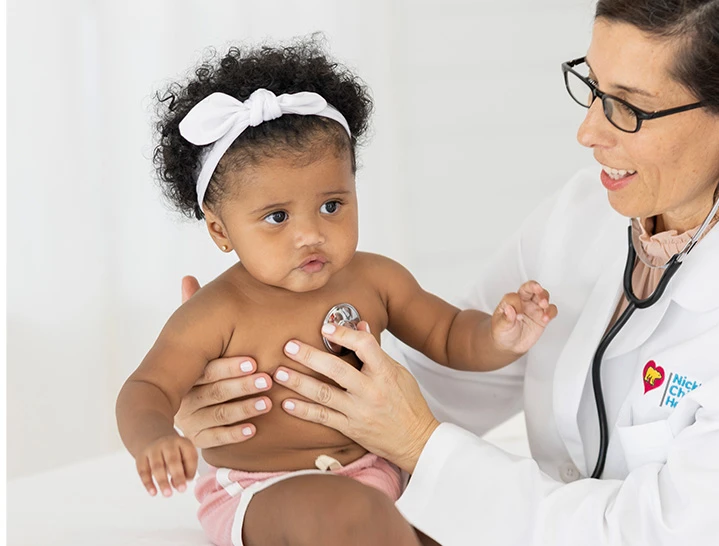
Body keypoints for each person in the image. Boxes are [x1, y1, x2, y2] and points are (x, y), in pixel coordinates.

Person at [175, 0, 719, 544]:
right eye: (593, 85)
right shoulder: (596, 210)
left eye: (628, 104)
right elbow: (446, 380)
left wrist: (418, 448)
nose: (587, 131)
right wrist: (255, 391)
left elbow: (661, 535)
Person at [116, 39, 555, 546]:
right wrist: (154, 438)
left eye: (331, 205)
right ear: (220, 231)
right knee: (347, 512)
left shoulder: (376, 280)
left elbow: (450, 334)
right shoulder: (216, 312)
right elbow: (146, 389)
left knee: (476, 524)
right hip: (267, 490)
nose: (310, 233)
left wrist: (499, 335)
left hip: (382, 470)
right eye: (277, 217)